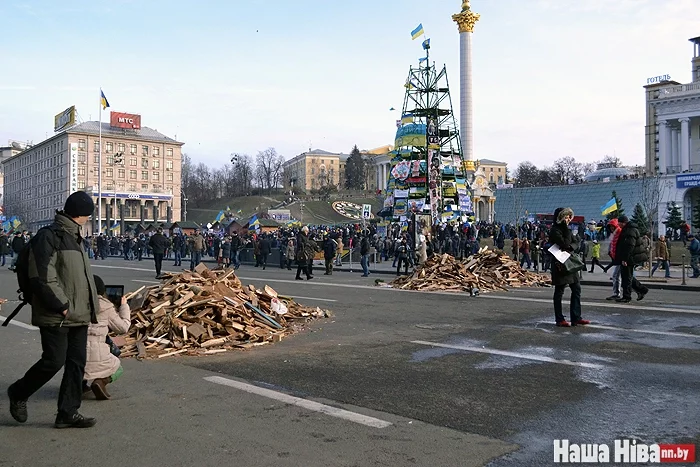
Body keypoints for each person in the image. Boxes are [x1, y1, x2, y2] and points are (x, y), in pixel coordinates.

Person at [8, 191, 99, 429]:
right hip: (57, 313)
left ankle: (68, 412)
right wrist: (62, 306)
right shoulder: (49, 236)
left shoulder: (75, 237)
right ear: (81, 214)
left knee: (76, 363)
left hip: (78, 313)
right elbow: (41, 276)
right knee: (53, 361)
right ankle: (18, 392)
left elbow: (79, 278)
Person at [84, 275, 131, 400]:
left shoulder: (76, 303)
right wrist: (124, 307)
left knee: (79, 367)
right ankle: (101, 381)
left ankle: (80, 385)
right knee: (117, 366)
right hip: (98, 352)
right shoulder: (106, 306)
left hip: (75, 352)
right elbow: (123, 328)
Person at [548, 207, 590, 327]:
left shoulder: (568, 230)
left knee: (576, 289)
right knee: (559, 291)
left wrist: (572, 246)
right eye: (565, 217)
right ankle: (559, 319)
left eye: (568, 217)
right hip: (560, 264)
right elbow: (565, 243)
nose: (567, 219)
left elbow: (576, 243)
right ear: (559, 218)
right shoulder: (555, 230)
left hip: (570, 263)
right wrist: (568, 239)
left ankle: (576, 317)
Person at [615, 216, 650, 303]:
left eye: (619, 223)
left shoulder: (629, 230)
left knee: (627, 277)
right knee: (628, 276)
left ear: (623, 222)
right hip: (630, 257)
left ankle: (627, 296)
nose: (618, 224)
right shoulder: (629, 229)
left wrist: (625, 259)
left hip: (630, 258)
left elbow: (629, 246)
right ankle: (642, 290)